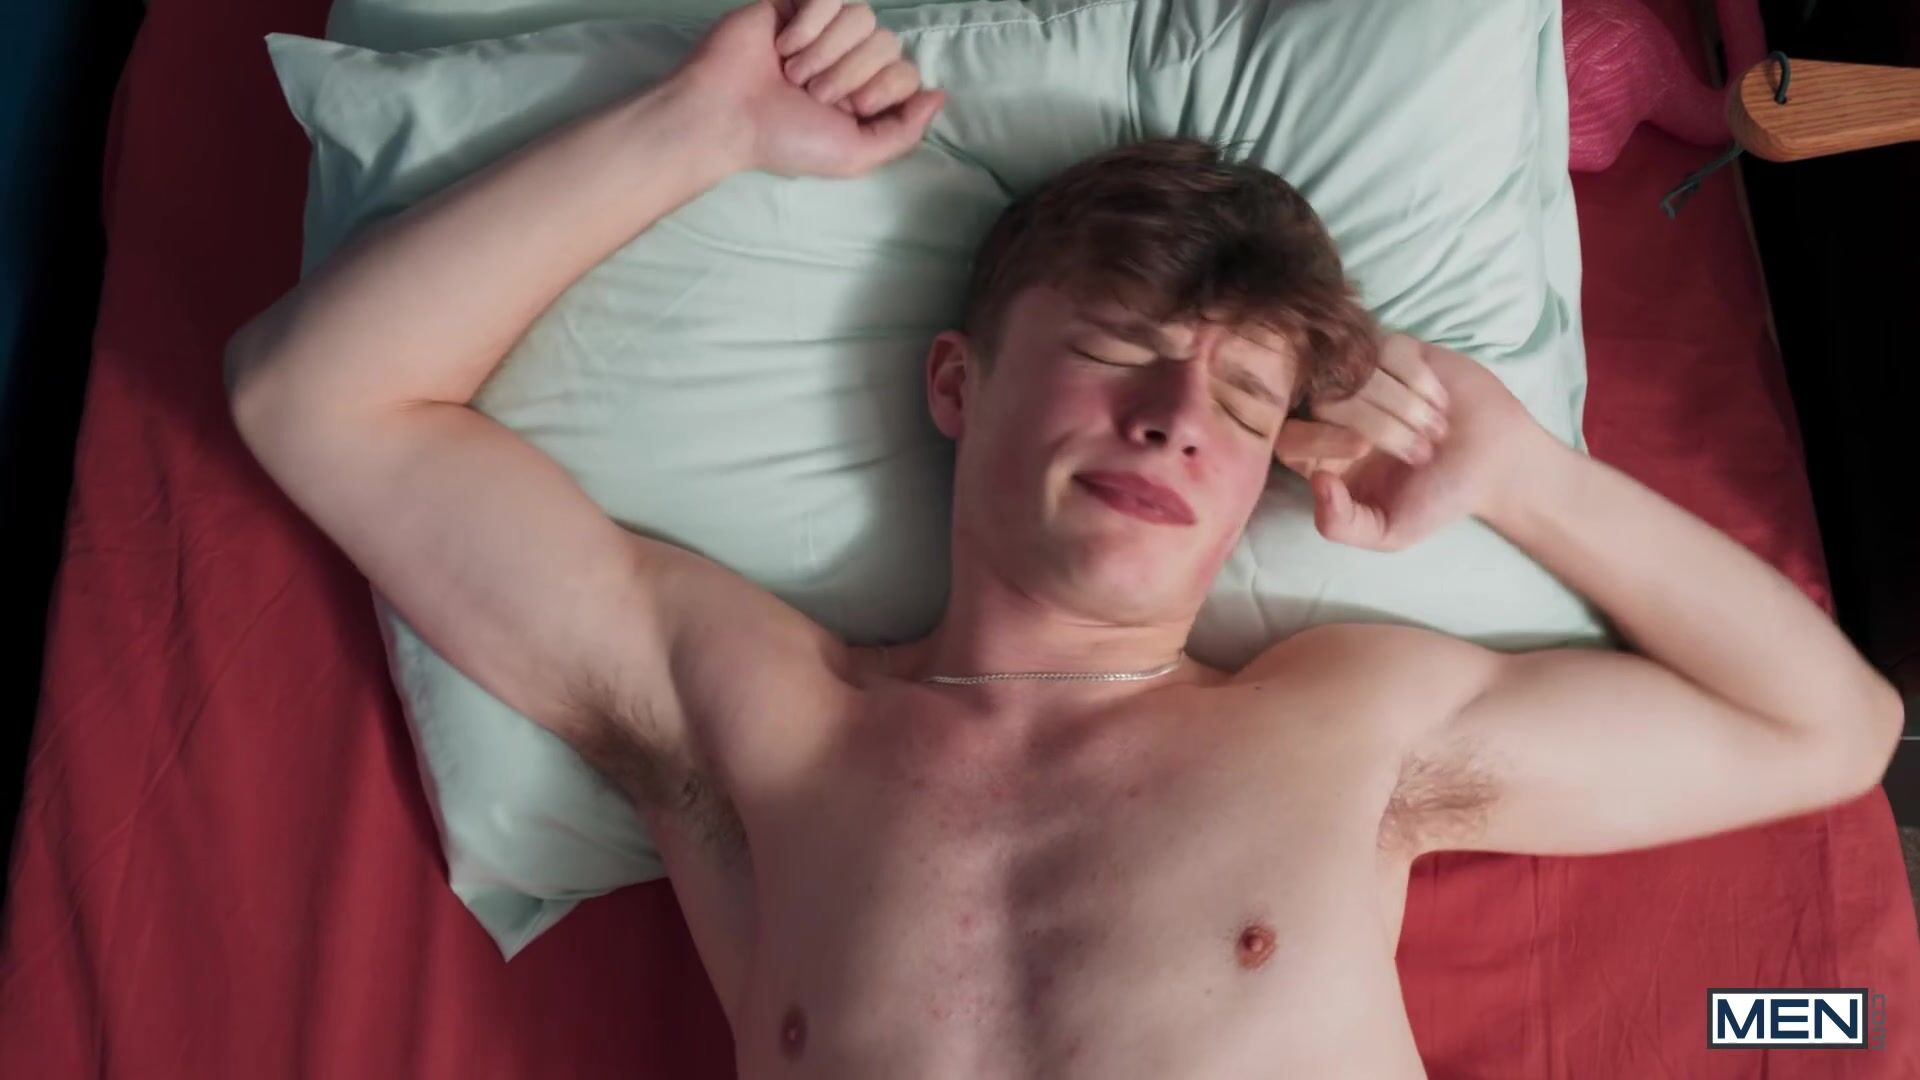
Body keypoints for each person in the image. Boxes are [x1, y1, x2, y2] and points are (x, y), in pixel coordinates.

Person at [225, 1, 1903, 1075]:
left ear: (1262, 481)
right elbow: (314, 400)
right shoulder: (754, 716)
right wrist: (699, 128)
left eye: (1241, 403)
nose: (1175, 416)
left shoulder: (1348, 724)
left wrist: (1520, 471)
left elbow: (1832, 728)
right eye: (1117, 349)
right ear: (956, 382)